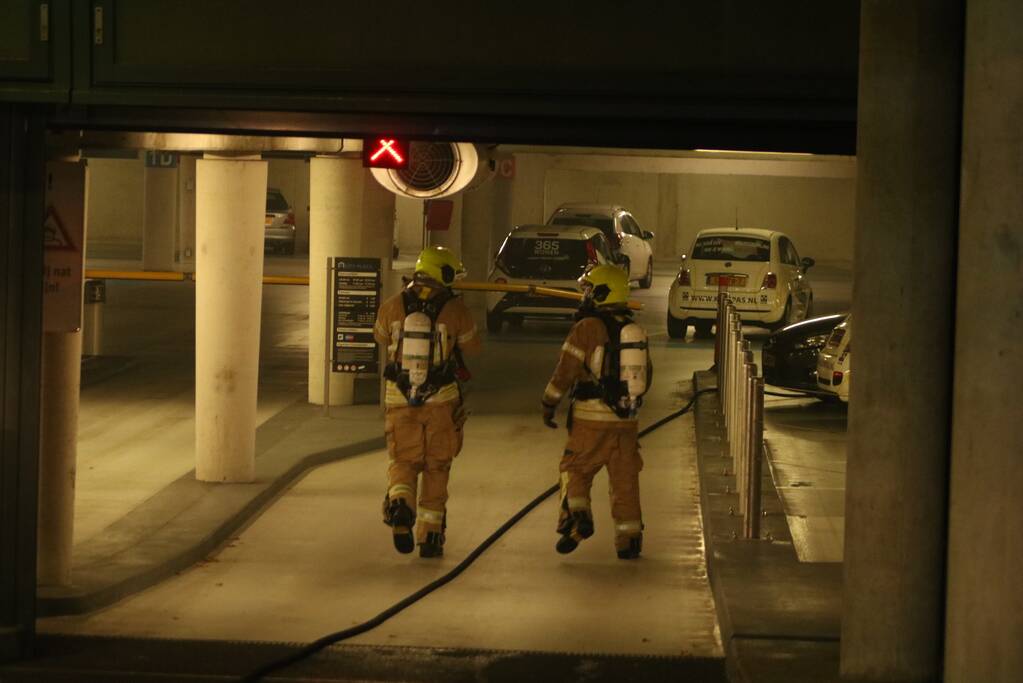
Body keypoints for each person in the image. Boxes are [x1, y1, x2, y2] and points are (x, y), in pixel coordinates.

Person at [373, 245, 481, 558]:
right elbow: (472, 347)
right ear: (442, 273)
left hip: (399, 399)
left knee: (404, 461)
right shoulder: (456, 310)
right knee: (437, 467)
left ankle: (400, 506)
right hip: (442, 402)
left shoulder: (393, 305)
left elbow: (380, 338)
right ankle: (430, 536)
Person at [540, 264, 652, 559]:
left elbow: (565, 371)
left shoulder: (587, 328)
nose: (585, 295)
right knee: (625, 480)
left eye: (589, 289)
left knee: (574, 469)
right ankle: (629, 540)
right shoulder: (635, 330)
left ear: (602, 293)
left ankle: (579, 516)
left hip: (591, 418)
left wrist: (549, 403)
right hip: (626, 420)